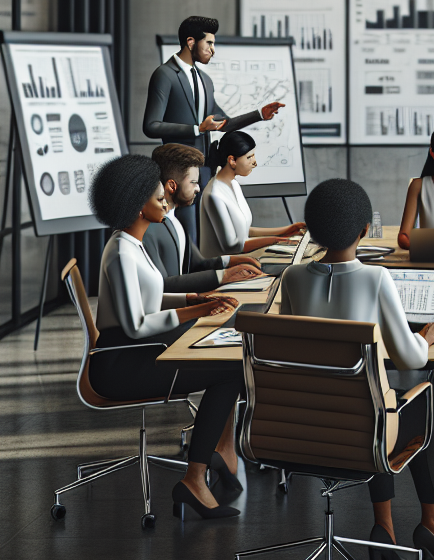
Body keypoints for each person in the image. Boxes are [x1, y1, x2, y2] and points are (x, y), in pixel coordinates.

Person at [279, 178, 434, 560]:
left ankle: (384, 528)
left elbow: (292, 347)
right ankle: (432, 526)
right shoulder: (375, 277)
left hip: (302, 424)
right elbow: (411, 358)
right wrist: (424, 336)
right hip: (364, 428)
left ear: (311, 230)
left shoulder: (293, 278)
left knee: (379, 397)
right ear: (365, 231)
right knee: (417, 405)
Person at [89, 154, 245, 520]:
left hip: (139, 352)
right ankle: (195, 478)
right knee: (230, 370)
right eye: (158, 198)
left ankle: (205, 466)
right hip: (122, 364)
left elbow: (152, 295)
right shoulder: (122, 253)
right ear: (136, 205)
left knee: (228, 357)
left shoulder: (133, 243)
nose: (165, 203)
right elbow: (137, 325)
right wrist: (196, 311)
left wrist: (197, 298)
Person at [142, 16, 286, 244]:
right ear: (190, 42)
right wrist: (197, 129)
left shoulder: (205, 80)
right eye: (208, 43)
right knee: (185, 235)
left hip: (206, 171)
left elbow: (223, 122)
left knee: (203, 237)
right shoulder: (165, 75)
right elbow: (150, 126)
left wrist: (259, 114)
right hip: (179, 174)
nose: (213, 50)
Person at [143, 143, 264, 294]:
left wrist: (234, 262)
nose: (198, 189)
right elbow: (162, 285)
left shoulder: (174, 219)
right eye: (193, 182)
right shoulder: (147, 228)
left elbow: (197, 264)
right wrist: (223, 276)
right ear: (172, 186)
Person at [198, 131, 304, 259]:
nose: (255, 163)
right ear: (232, 160)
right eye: (249, 157)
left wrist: (286, 230)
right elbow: (232, 246)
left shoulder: (234, 184)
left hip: (242, 258)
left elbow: (245, 231)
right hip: (223, 268)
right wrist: (278, 240)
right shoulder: (214, 195)